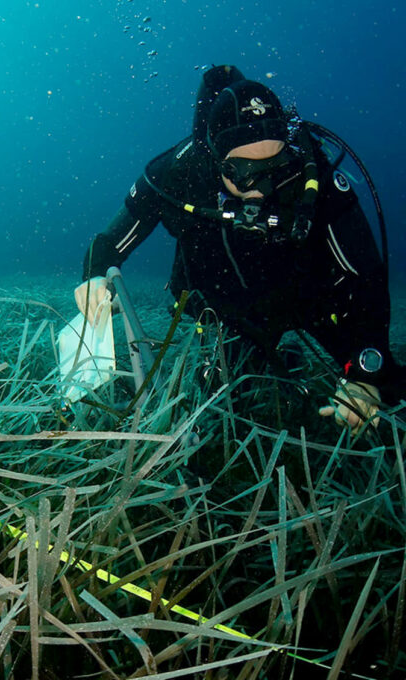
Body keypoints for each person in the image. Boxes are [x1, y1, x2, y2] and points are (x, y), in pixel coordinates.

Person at [74, 65, 400, 432]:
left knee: (384, 396)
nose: (261, 191)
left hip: (307, 298)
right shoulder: (177, 175)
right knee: (220, 412)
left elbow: (365, 276)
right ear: (215, 158)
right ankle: (274, 359)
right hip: (225, 310)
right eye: (244, 172)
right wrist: (94, 277)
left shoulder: (310, 174)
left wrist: (364, 375)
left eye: (273, 168)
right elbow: (108, 243)